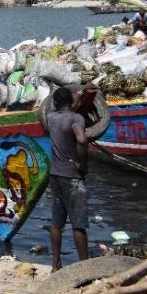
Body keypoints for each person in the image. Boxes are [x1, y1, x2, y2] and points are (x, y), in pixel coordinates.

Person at [46, 86, 90, 271]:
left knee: (57, 223)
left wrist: (78, 96)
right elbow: (81, 140)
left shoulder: (51, 118)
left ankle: (56, 265)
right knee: (78, 225)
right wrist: (82, 164)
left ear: (56, 103)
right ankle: (85, 267)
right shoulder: (76, 118)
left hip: (55, 175)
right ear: (70, 103)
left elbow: (63, 109)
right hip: (72, 177)